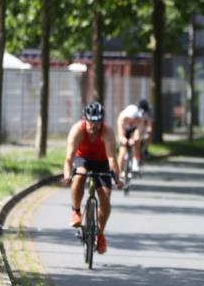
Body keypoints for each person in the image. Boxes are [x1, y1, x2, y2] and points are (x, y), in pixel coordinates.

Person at [64, 101, 123, 254]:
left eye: (97, 123)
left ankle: (100, 233)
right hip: (82, 159)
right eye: (91, 122)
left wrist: (117, 177)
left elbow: (112, 158)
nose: (93, 126)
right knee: (80, 175)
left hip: (102, 162)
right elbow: (69, 158)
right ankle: (76, 211)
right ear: (85, 119)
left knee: (105, 199)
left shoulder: (107, 132)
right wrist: (66, 175)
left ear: (101, 121)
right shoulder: (78, 130)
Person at [116, 100, 151, 174]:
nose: (131, 121)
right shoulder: (122, 117)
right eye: (129, 119)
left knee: (137, 142)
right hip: (125, 131)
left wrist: (134, 139)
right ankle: (119, 173)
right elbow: (120, 132)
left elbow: (138, 132)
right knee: (122, 152)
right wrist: (123, 139)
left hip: (134, 131)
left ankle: (135, 159)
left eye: (134, 119)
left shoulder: (140, 118)